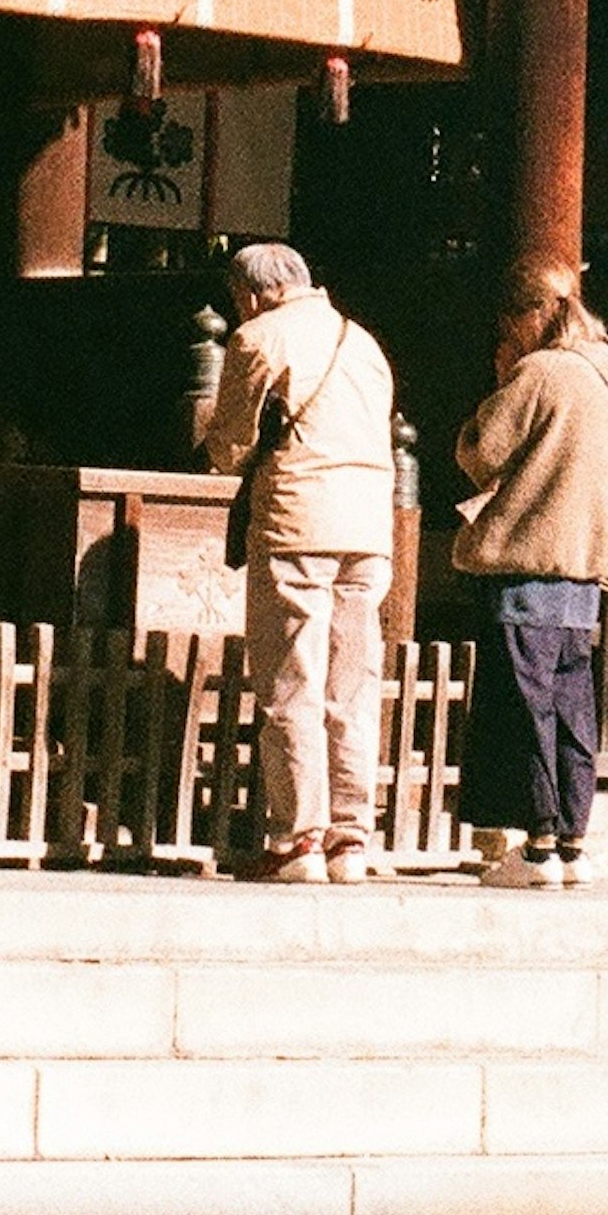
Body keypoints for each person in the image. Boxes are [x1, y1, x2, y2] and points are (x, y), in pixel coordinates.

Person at [201, 236, 399, 881]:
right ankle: (352, 839)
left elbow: (231, 445)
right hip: (369, 528)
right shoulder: (363, 342)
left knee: (292, 682)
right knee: (353, 684)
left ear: (251, 293)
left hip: (297, 523)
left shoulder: (259, 339)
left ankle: (298, 840)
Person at [452, 266, 608, 878]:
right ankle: (574, 842)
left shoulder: (539, 373)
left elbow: (482, 452)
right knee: (570, 708)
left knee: (523, 708)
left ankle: (537, 844)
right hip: (583, 569)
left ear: (526, 321)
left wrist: (501, 379)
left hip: (528, 562)